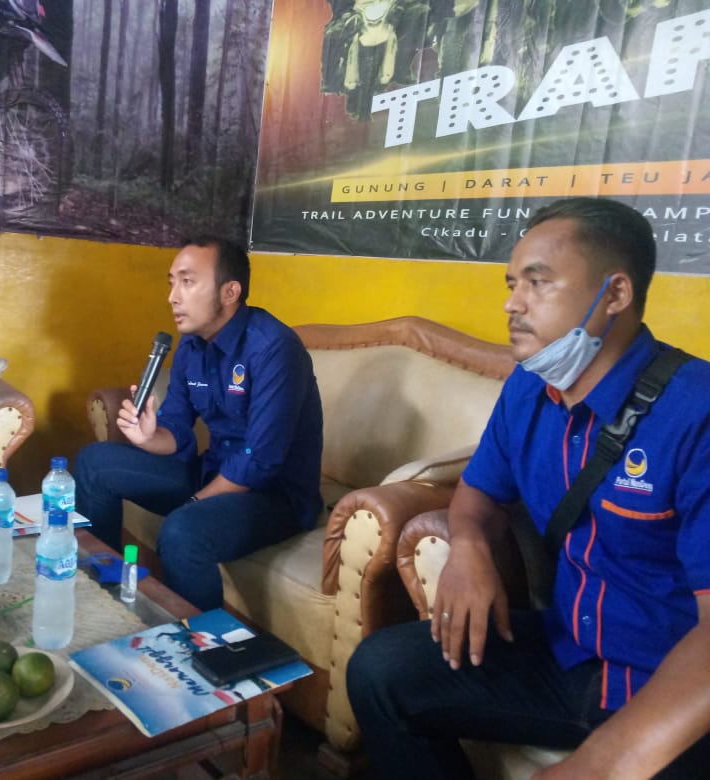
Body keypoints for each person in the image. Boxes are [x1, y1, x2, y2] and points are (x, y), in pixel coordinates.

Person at [346, 198, 710, 779]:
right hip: (570, 653)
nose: (512, 304)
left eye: (538, 283)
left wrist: (601, 763)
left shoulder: (695, 412)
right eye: (513, 284)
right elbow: (478, 490)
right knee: (381, 670)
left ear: (615, 294)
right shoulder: (529, 389)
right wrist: (469, 547)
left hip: (671, 684)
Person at [74, 237, 323, 611]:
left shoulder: (274, 348)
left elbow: (259, 460)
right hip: (214, 471)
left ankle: (198, 640)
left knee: (183, 531)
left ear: (229, 292)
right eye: (172, 282)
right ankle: (102, 594)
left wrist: (193, 504)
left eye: (187, 282)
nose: (172, 297)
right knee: (94, 463)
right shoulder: (191, 345)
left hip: (274, 497)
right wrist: (148, 436)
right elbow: (176, 427)